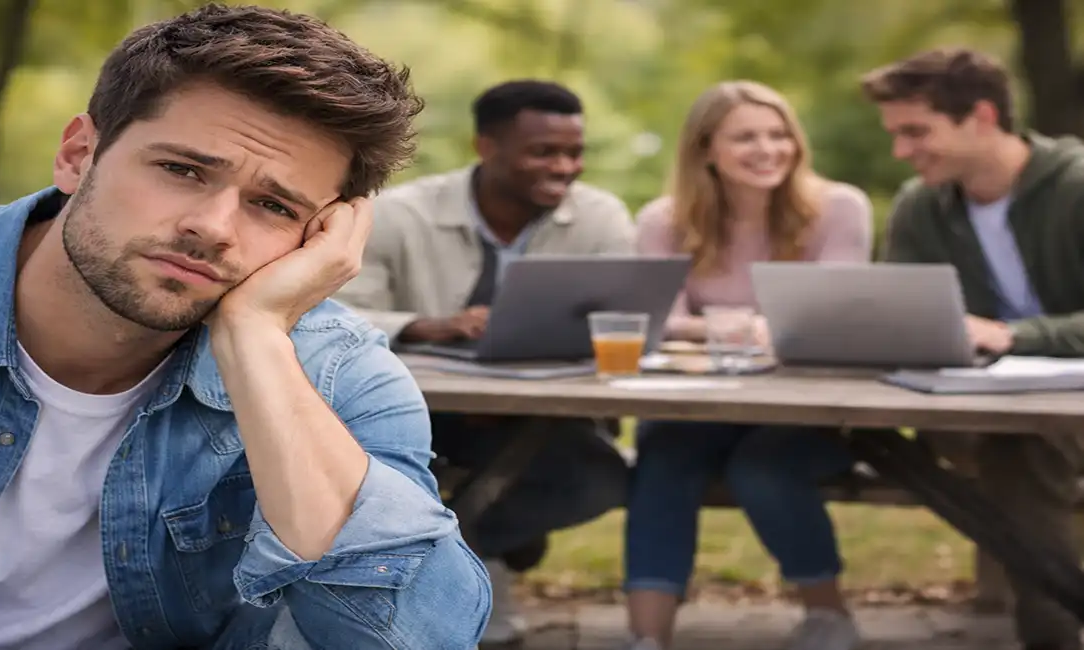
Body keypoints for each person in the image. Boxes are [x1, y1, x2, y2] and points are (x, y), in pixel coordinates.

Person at [0, 5, 492, 649]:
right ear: (78, 154)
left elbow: (416, 638)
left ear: (322, 238)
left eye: (272, 205)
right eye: (183, 170)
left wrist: (256, 340)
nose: (212, 227)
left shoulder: (334, 373)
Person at [334, 79, 634, 647]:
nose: (565, 167)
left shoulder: (601, 217)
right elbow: (336, 310)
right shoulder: (401, 213)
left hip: (547, 410)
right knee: (384, 482)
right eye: (544, 151)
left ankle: (471, 555)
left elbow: (626, 312)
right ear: (486, 147)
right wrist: (427, 325)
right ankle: (476, 575)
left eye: (574, 152)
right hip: (420, 408)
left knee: (602, 479)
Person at [625, 80, 873, 650]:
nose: (768, 149)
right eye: (746, 138)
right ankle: (647, 637)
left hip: (807, 407)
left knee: (763, 467)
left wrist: (718, 323)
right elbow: (661, 321)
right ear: (706, 149)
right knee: (663, 459)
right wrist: (763, 324)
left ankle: (829, 616)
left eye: (778, 133)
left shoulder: (839, 208)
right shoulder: (664, 220)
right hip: (699, 403)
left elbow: (831, 315)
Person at [864, 47, 1084, 650]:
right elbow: (900, 315)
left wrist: (1014, 336)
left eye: (916, 132)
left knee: (1024, 450)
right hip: (965, 404)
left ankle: (1055, 635)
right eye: (896, 134)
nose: (902, 152)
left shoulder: (1077, 186)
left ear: (982, 116)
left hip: (1068, 407)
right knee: (875, 439)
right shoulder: (920, 205)